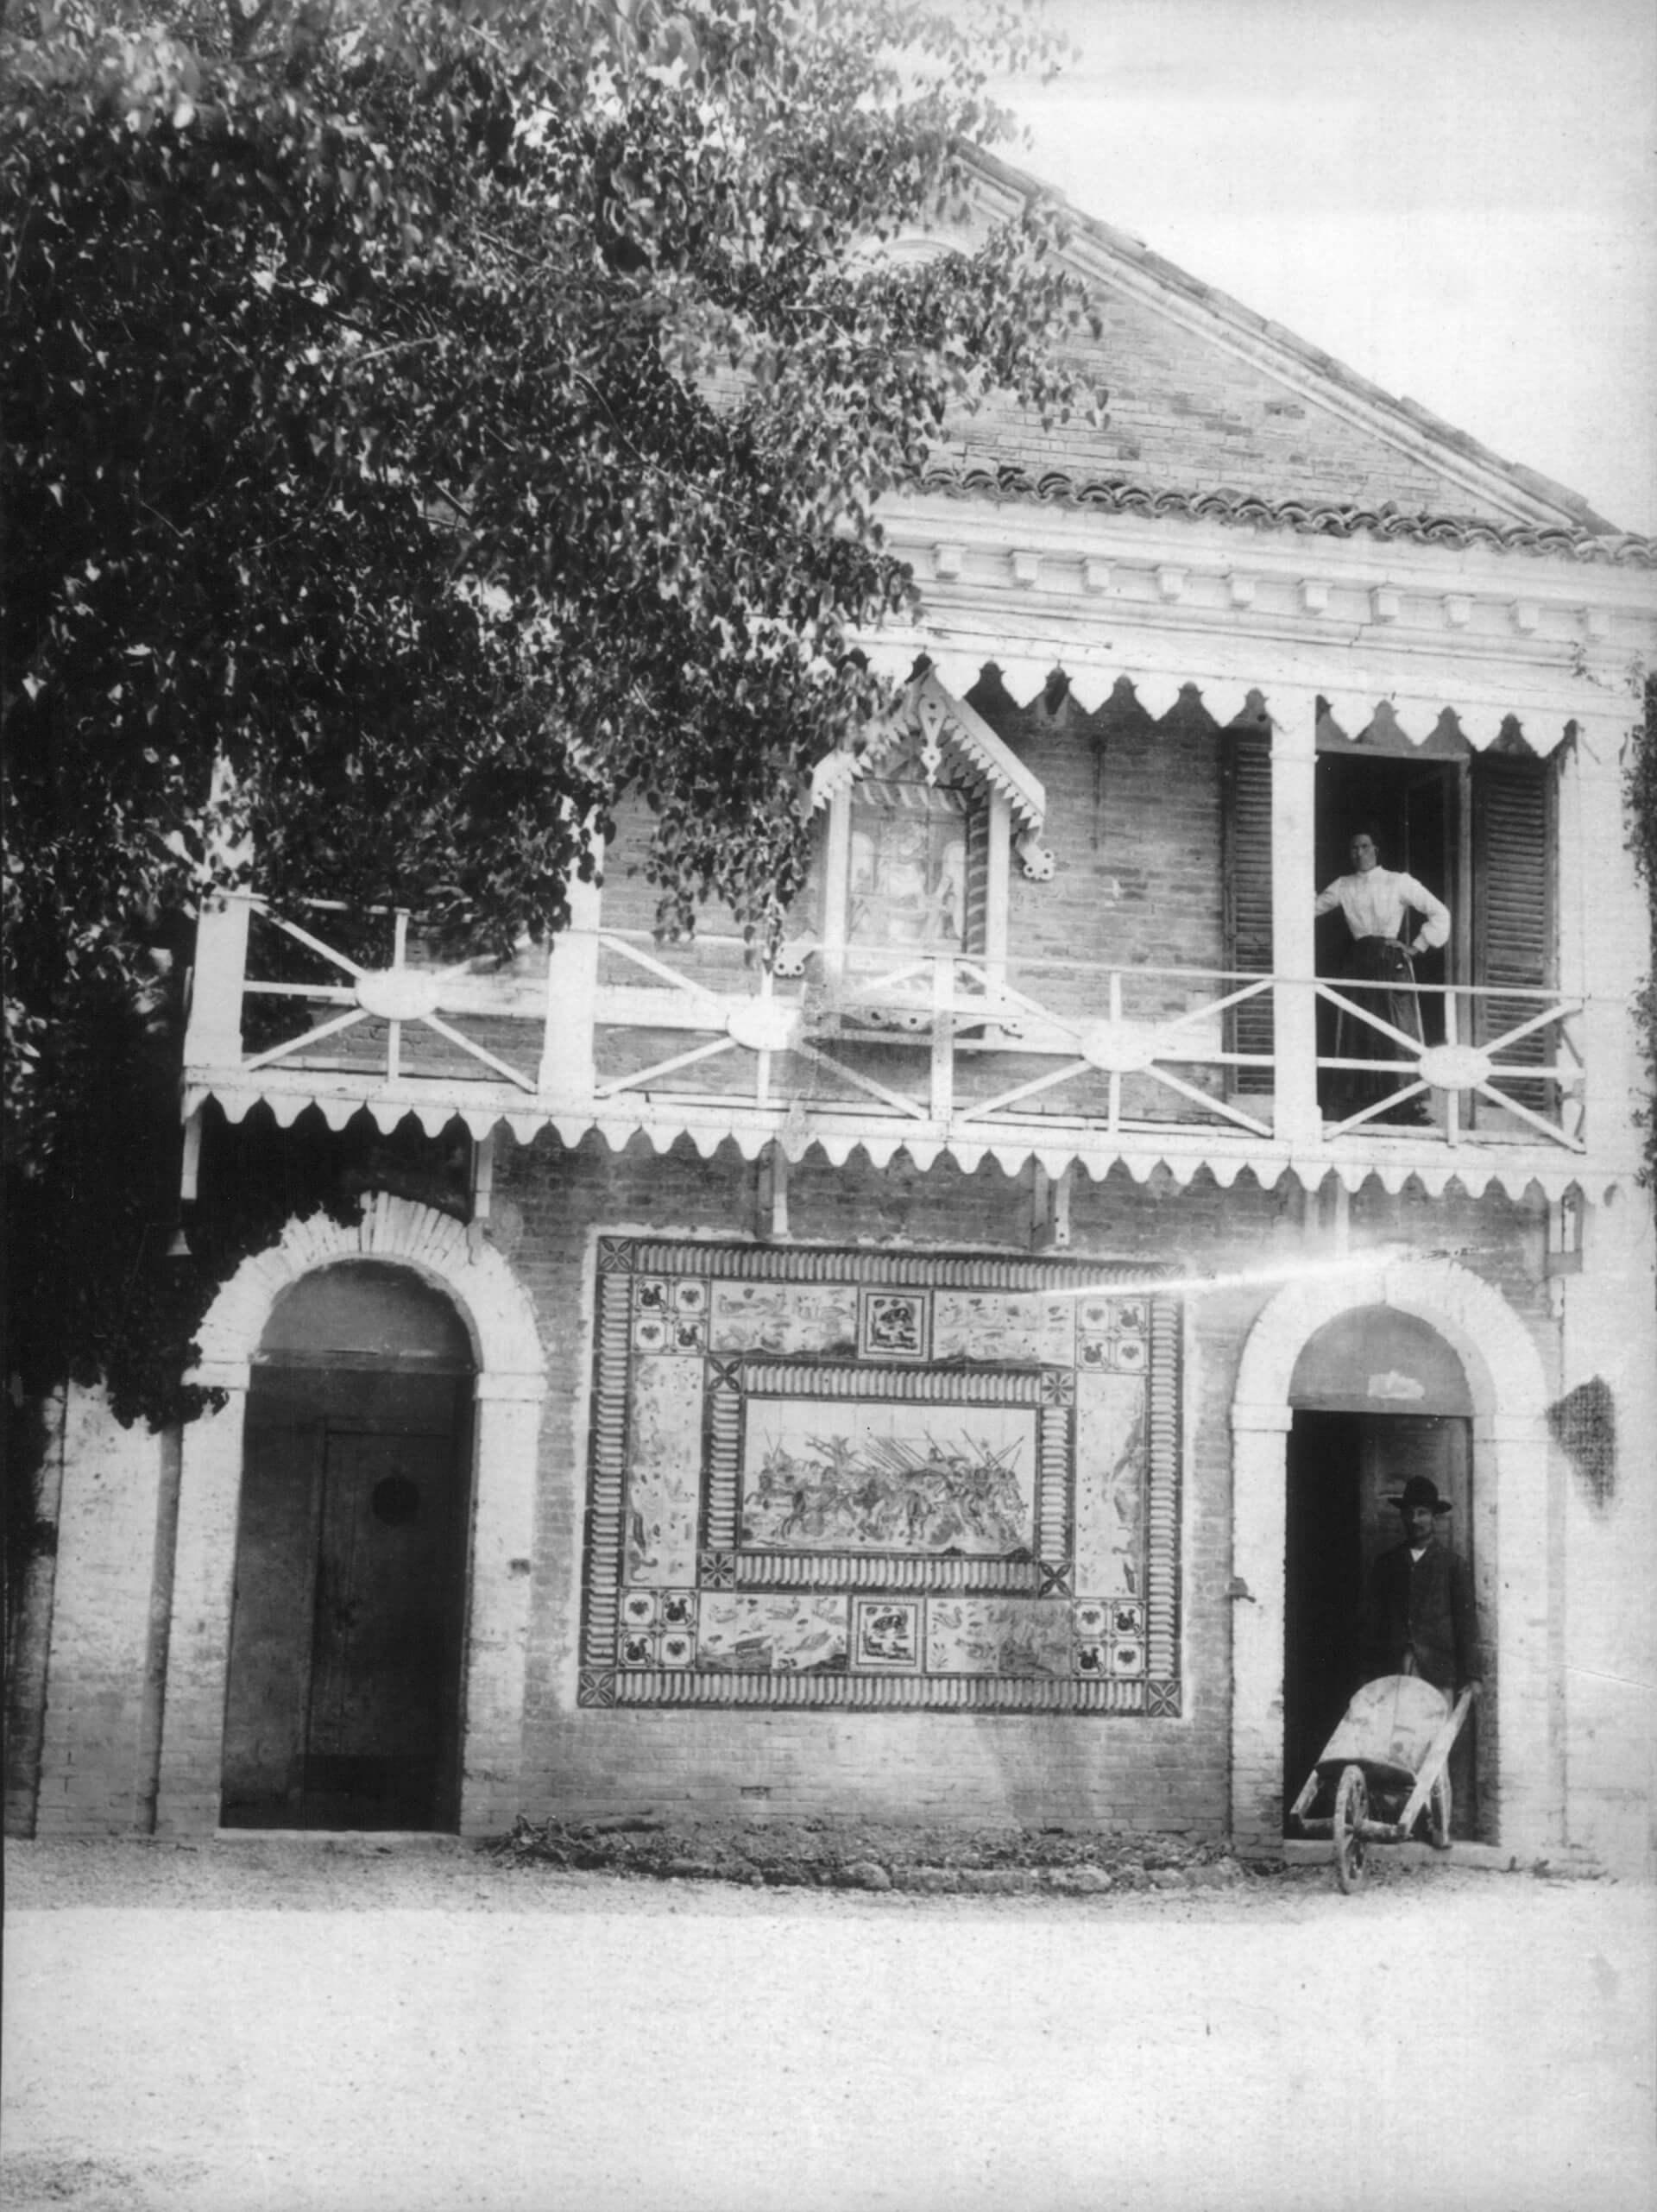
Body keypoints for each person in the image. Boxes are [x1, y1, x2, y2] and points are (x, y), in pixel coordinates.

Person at [1314, 828, 1450, 1124]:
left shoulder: (1398, 881)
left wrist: (1416, 946)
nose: (1359, 853)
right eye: (1353, 848)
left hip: (1391, 960)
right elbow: (1311, 909)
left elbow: (1439, 912)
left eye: (1365, 846)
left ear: (1376, 850)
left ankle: (1405, 1104)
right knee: (1358, 1027)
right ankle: (1358, 1105)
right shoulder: (1343, 885)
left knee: (1397, 1027)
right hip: (1359, 960)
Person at [1363, 1474, 1481, 1698]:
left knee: (1436, 1720)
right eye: (1409, 1513)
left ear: (1434, 1517)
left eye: (1422, 1513)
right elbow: (1374, 1621)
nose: (1415, 1520)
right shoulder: (1387, 1564)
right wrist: (1368, 1672)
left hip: (1439, 1670)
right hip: (1394, 1670)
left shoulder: (1453, 1565)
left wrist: (1473, 1675)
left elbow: (1466, 1623)